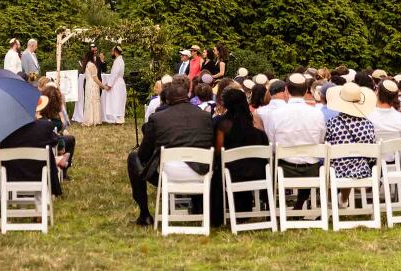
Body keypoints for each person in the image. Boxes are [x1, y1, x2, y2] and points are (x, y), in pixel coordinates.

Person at [127, 80, 213, 226]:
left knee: (133, 157)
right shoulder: (205, 116)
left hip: (169, 174)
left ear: (166, 99)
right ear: (188, 96)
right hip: (203, 172)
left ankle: (145, 214)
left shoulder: (157, 118)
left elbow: (143, 154)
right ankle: (198, 206)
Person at [212, 88, 269, 223]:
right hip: (257, 173)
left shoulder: (223, 125)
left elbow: (218, 152)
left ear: (226, 104)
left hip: (232, 174)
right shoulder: (254, 125)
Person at [269, 73, 326, 209]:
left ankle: (277, 208)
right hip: (312, 170)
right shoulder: (317, 113)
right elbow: (320, 140)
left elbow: (272, 143)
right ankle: (299, 204)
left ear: (286, 90)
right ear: (307, 90)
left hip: (284, 170)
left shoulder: (276, 114)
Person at [325, 82, 377, 207]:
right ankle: (343, 199)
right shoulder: (368, 124)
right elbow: (371, 154)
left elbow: (327, 147)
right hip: (362, 170)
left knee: (327, 165)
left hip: (336, 170)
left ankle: (332, 200)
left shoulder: (332, 123)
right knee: (351, 162)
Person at [0, 96, 63, 197]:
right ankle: (57, 165)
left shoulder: (7, 132)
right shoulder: (44, 127)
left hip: (12, 177)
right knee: (48, 152)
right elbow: (55, 142)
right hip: (37, 176)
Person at [39, 85, 76, 177]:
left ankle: (61, 163)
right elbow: (51, 133)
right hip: (47, 141)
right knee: (70, 140)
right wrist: (61, 143)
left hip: (49, 138)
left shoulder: (44, 113)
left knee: (67, 138)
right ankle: (61, 166)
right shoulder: (44, 119)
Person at [103, 46, 126, 124]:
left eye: (112, 51)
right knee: (119, 101)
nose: (111, 53)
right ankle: (119, 119)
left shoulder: (117, 61)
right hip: (119, 82)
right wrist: (108, 82)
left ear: (115, 52)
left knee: (117, 101)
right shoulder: (120, 60)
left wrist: (109, 85)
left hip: (117, 84)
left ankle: (118, 119)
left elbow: (114, 75)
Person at [82, 50, 103, 126]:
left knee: (89, 102)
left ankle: (89, 118)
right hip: (93, 85)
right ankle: (94, 120)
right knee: (94, 101)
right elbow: (95, 78)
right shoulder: (92, 65)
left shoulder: (87, 65)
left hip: (88, 85)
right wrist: (102, 86)